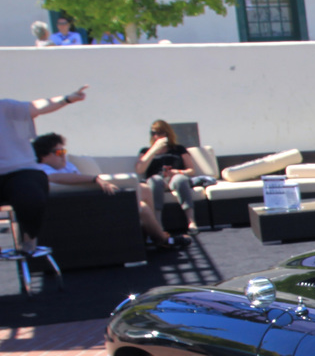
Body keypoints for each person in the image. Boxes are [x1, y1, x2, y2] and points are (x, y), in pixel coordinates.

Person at [34, 132, 183, 250]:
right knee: (142, 207)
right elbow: (56, 178)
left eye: (64, 151)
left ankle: (156, 234)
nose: (63, 155)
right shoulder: (42, 170)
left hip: (90, 198)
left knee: (143, 189)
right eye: (59, 152)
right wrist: (95, 179)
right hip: (81, 206)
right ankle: (162, 239)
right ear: (44, 156)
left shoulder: (65, 166)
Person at [0, 87, 87, 254]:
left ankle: (29, 237)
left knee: (29, 195)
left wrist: (67, 99)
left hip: (20, 171)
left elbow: (37, 106)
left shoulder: (5, 107)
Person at [136, 119, 199, 234]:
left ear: (167, 133)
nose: (156, 136)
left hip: (174, 179)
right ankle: (158, 225)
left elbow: (191, 170)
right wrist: (154, 150)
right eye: (153, 133)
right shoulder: (146, 151)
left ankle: (191, 222)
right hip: (157, 180)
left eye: (160, 133)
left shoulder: (178, 149)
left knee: (180, 180)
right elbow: (140, 169)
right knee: (156, 181)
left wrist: (178, 172)